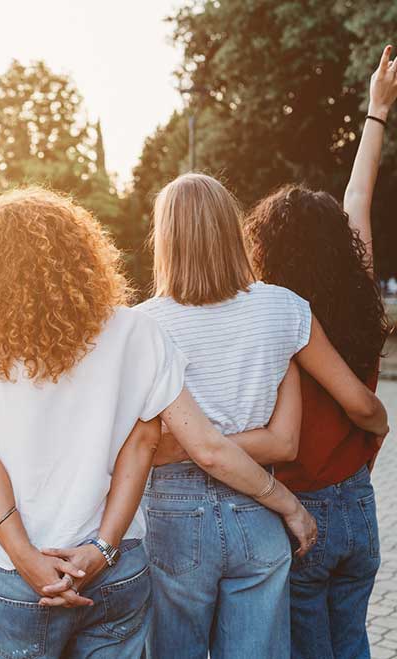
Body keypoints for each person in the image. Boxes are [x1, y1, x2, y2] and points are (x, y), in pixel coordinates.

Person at [0, 187, 316, 659]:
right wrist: (101, 549)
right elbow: (176, 446)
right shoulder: (138, 331)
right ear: (84, 251)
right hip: (116, 572)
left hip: (15, 579)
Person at [136, 172, 388, 659]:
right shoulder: (284, 310)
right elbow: (284, 442)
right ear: (231, 229)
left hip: (173, 518)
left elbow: (152, 448)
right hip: (260, 512)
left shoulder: (143, 325)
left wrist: (186, 447)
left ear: (164, 238)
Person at [244, 44, 397, 659]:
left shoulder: (275, 317)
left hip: (300, 511)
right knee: (354, 641)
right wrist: (376, 113)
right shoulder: (358, 298)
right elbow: (358, 197)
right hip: (359, 504)